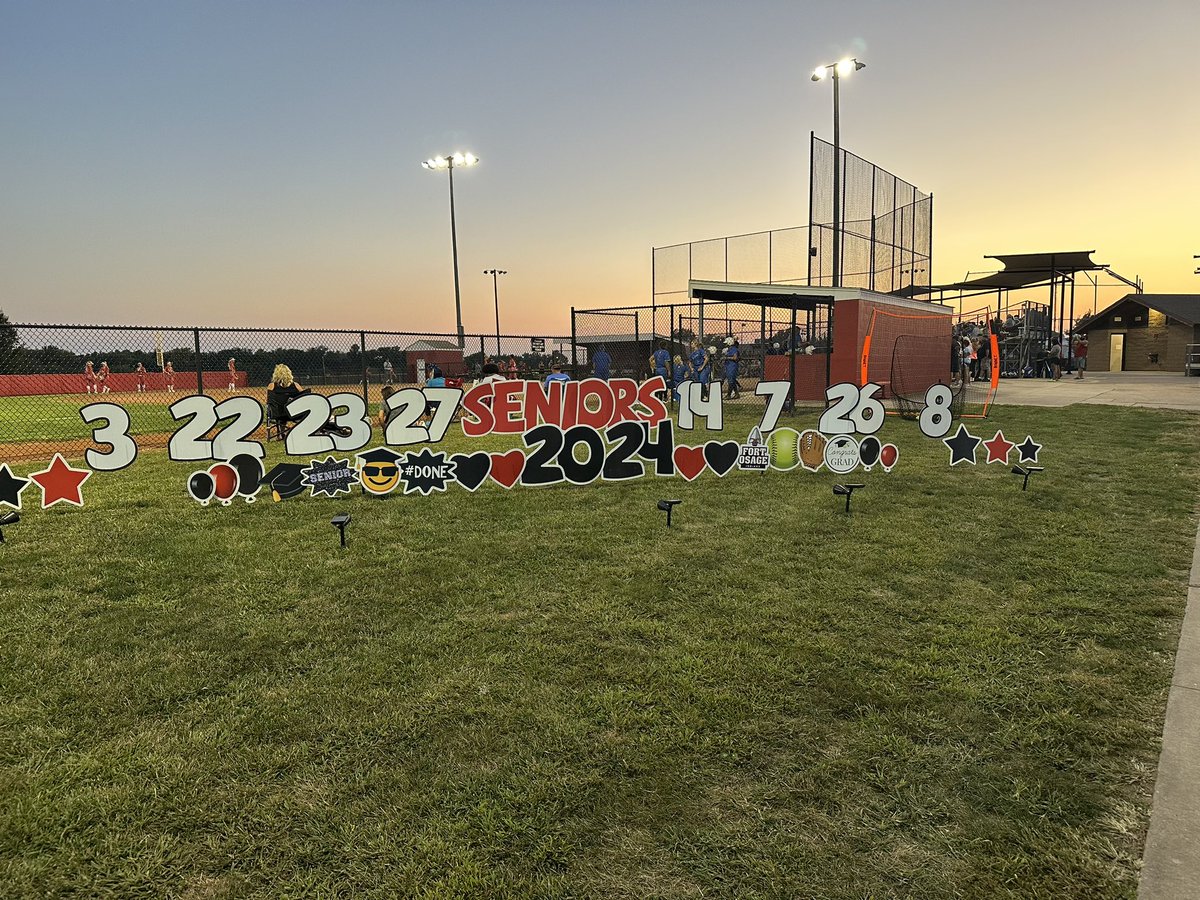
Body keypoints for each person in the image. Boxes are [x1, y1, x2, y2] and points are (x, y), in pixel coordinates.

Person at [267, 363, 350, 436]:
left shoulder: (272, 386)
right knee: (319, 411)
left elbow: (270, 401)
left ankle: (281, 432)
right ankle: (336, 426)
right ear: (289, 374)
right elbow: (305, 398)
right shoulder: (296, 385)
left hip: (278, 414)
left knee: (281, 407)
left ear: (275, 375)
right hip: (296, 414)